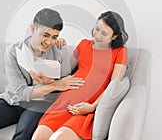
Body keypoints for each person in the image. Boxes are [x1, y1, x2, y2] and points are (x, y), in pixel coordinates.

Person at [0, 8, 85, 140]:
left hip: (40, 104)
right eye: (45, 35)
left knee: (23, 136)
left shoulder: (60, 51)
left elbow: (65, 84)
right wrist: (55, 85)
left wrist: (52, 83)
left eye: (54, 37)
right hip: (14, 101)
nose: (49, 42)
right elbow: (18, 92)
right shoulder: (13, 51)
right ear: (33, 29)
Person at [31, 11, 129, 140]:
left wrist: (92, 106)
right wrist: (56, 45)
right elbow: (63, 71)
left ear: (114, 36)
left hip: (85, 108)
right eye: (97, 28)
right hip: (64, 103)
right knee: (37, 138)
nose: (97, 35)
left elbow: (113, 86)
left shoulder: (120, 52)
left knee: (57, 138)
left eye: (104, 33)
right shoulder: (83, 44)